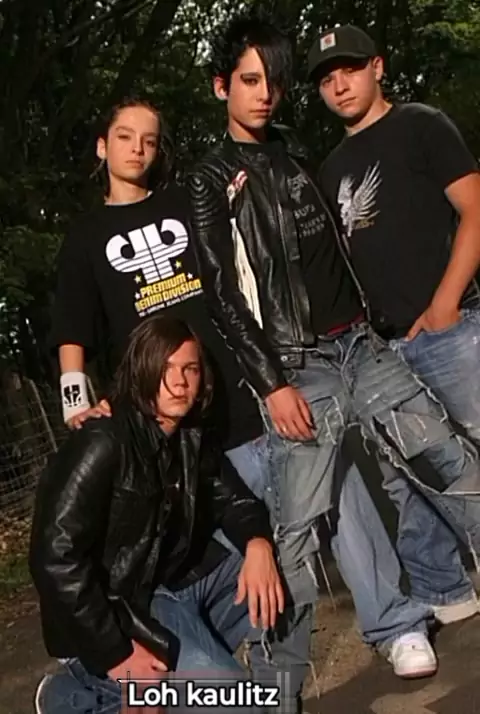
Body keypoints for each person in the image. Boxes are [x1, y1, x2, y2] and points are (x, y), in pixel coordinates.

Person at [186, 13, 480, 679]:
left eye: (274, 81)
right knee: (299, 526)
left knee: (448, 459)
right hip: (301, 366)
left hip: (364, 347)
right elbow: (223, 295)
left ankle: (425, 606)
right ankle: (279, 682)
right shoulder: (210, 178)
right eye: (249, 80)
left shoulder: (298, 156)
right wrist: (271, 382)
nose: (265, 93)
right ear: (222, 86)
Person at [48, 97, 309, 710]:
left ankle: (254, 679)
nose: (137, 148)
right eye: (124, 136)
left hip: (224, 417)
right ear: (102, 146)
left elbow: (232, 269)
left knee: (278, 567)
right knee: (220, 678)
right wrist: (74, 403)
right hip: (157, 425)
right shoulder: (86, 236)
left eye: (149, 138)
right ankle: (96, 682)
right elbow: (73, 329)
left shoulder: (180, 205)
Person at [307, 21, 480, 635]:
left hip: (451, 328)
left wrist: (446, 303)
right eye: (327, 78)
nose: (339, 85)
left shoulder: (422, 125)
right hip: (384, 346)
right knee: (411, 471)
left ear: (377, 67)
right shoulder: (329, 169)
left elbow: (474, 209)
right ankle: (444, 587)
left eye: (350, 70)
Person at [30, 315, 286, 714]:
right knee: (236, 704)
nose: (180, 382)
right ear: (142, 371)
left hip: (165, 594)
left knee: (278, 558)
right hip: (112, 616)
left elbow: (234, 500)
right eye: (166, 369)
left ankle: (162, 684)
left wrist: (258, 544)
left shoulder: (189, 435)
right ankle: (74, 694)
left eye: (190, 369)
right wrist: (117, 653)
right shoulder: (102, 441)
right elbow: (54, 559)